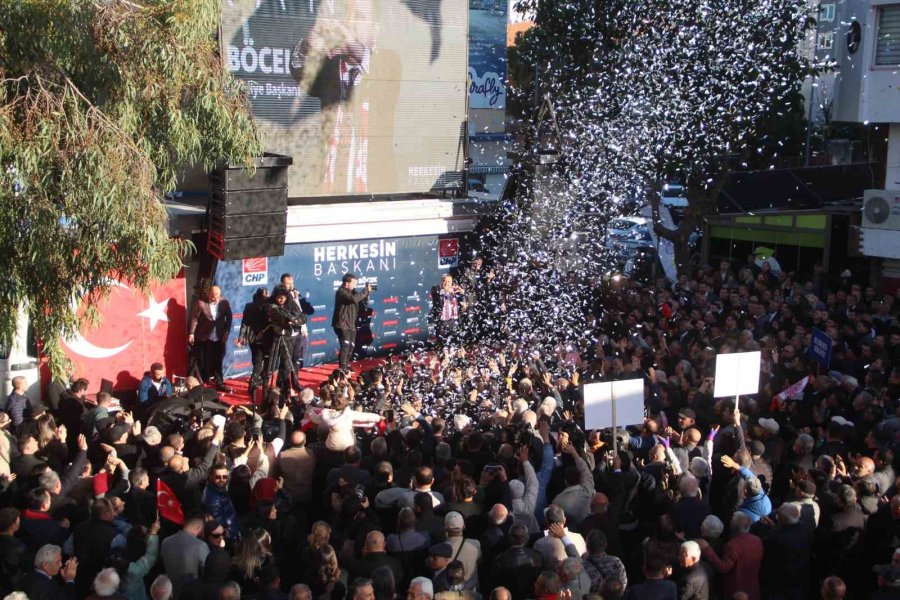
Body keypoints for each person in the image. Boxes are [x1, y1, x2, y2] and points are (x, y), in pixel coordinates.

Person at [188, 285, 233, 391]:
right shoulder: (201, 303)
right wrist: (191, 333)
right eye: (213, 296)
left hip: (219, 336)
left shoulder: (224, 303)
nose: (215, 298)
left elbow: (229, 317)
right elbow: (195, 318)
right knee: (204, 360)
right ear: (208, 294)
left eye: (217, 296)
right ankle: (204, 383)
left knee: (218, 360)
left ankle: (219, 382)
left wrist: (227, 331)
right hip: (205, 336)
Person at [332, 273, 372, 370]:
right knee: (345, 346)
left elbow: (360, 299)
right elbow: (353, 299)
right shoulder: (341, 292)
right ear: (346, 283)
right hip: (342, 324)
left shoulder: (352, 291)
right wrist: (365, 291)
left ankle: (346, 365)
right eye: (353, 283)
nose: (355, 285)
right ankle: (342, 369)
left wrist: (367, 293)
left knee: (351, 346)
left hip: (351, 323)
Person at [237, 287, 271, 401]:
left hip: (253, 338)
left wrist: (241, 337)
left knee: (257, 360)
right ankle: (253, 384)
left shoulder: (249, 306)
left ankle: (257, 381)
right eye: (267, 295)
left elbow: (244, 323)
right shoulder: (267, 306)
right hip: (263, 338)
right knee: (259, 362)